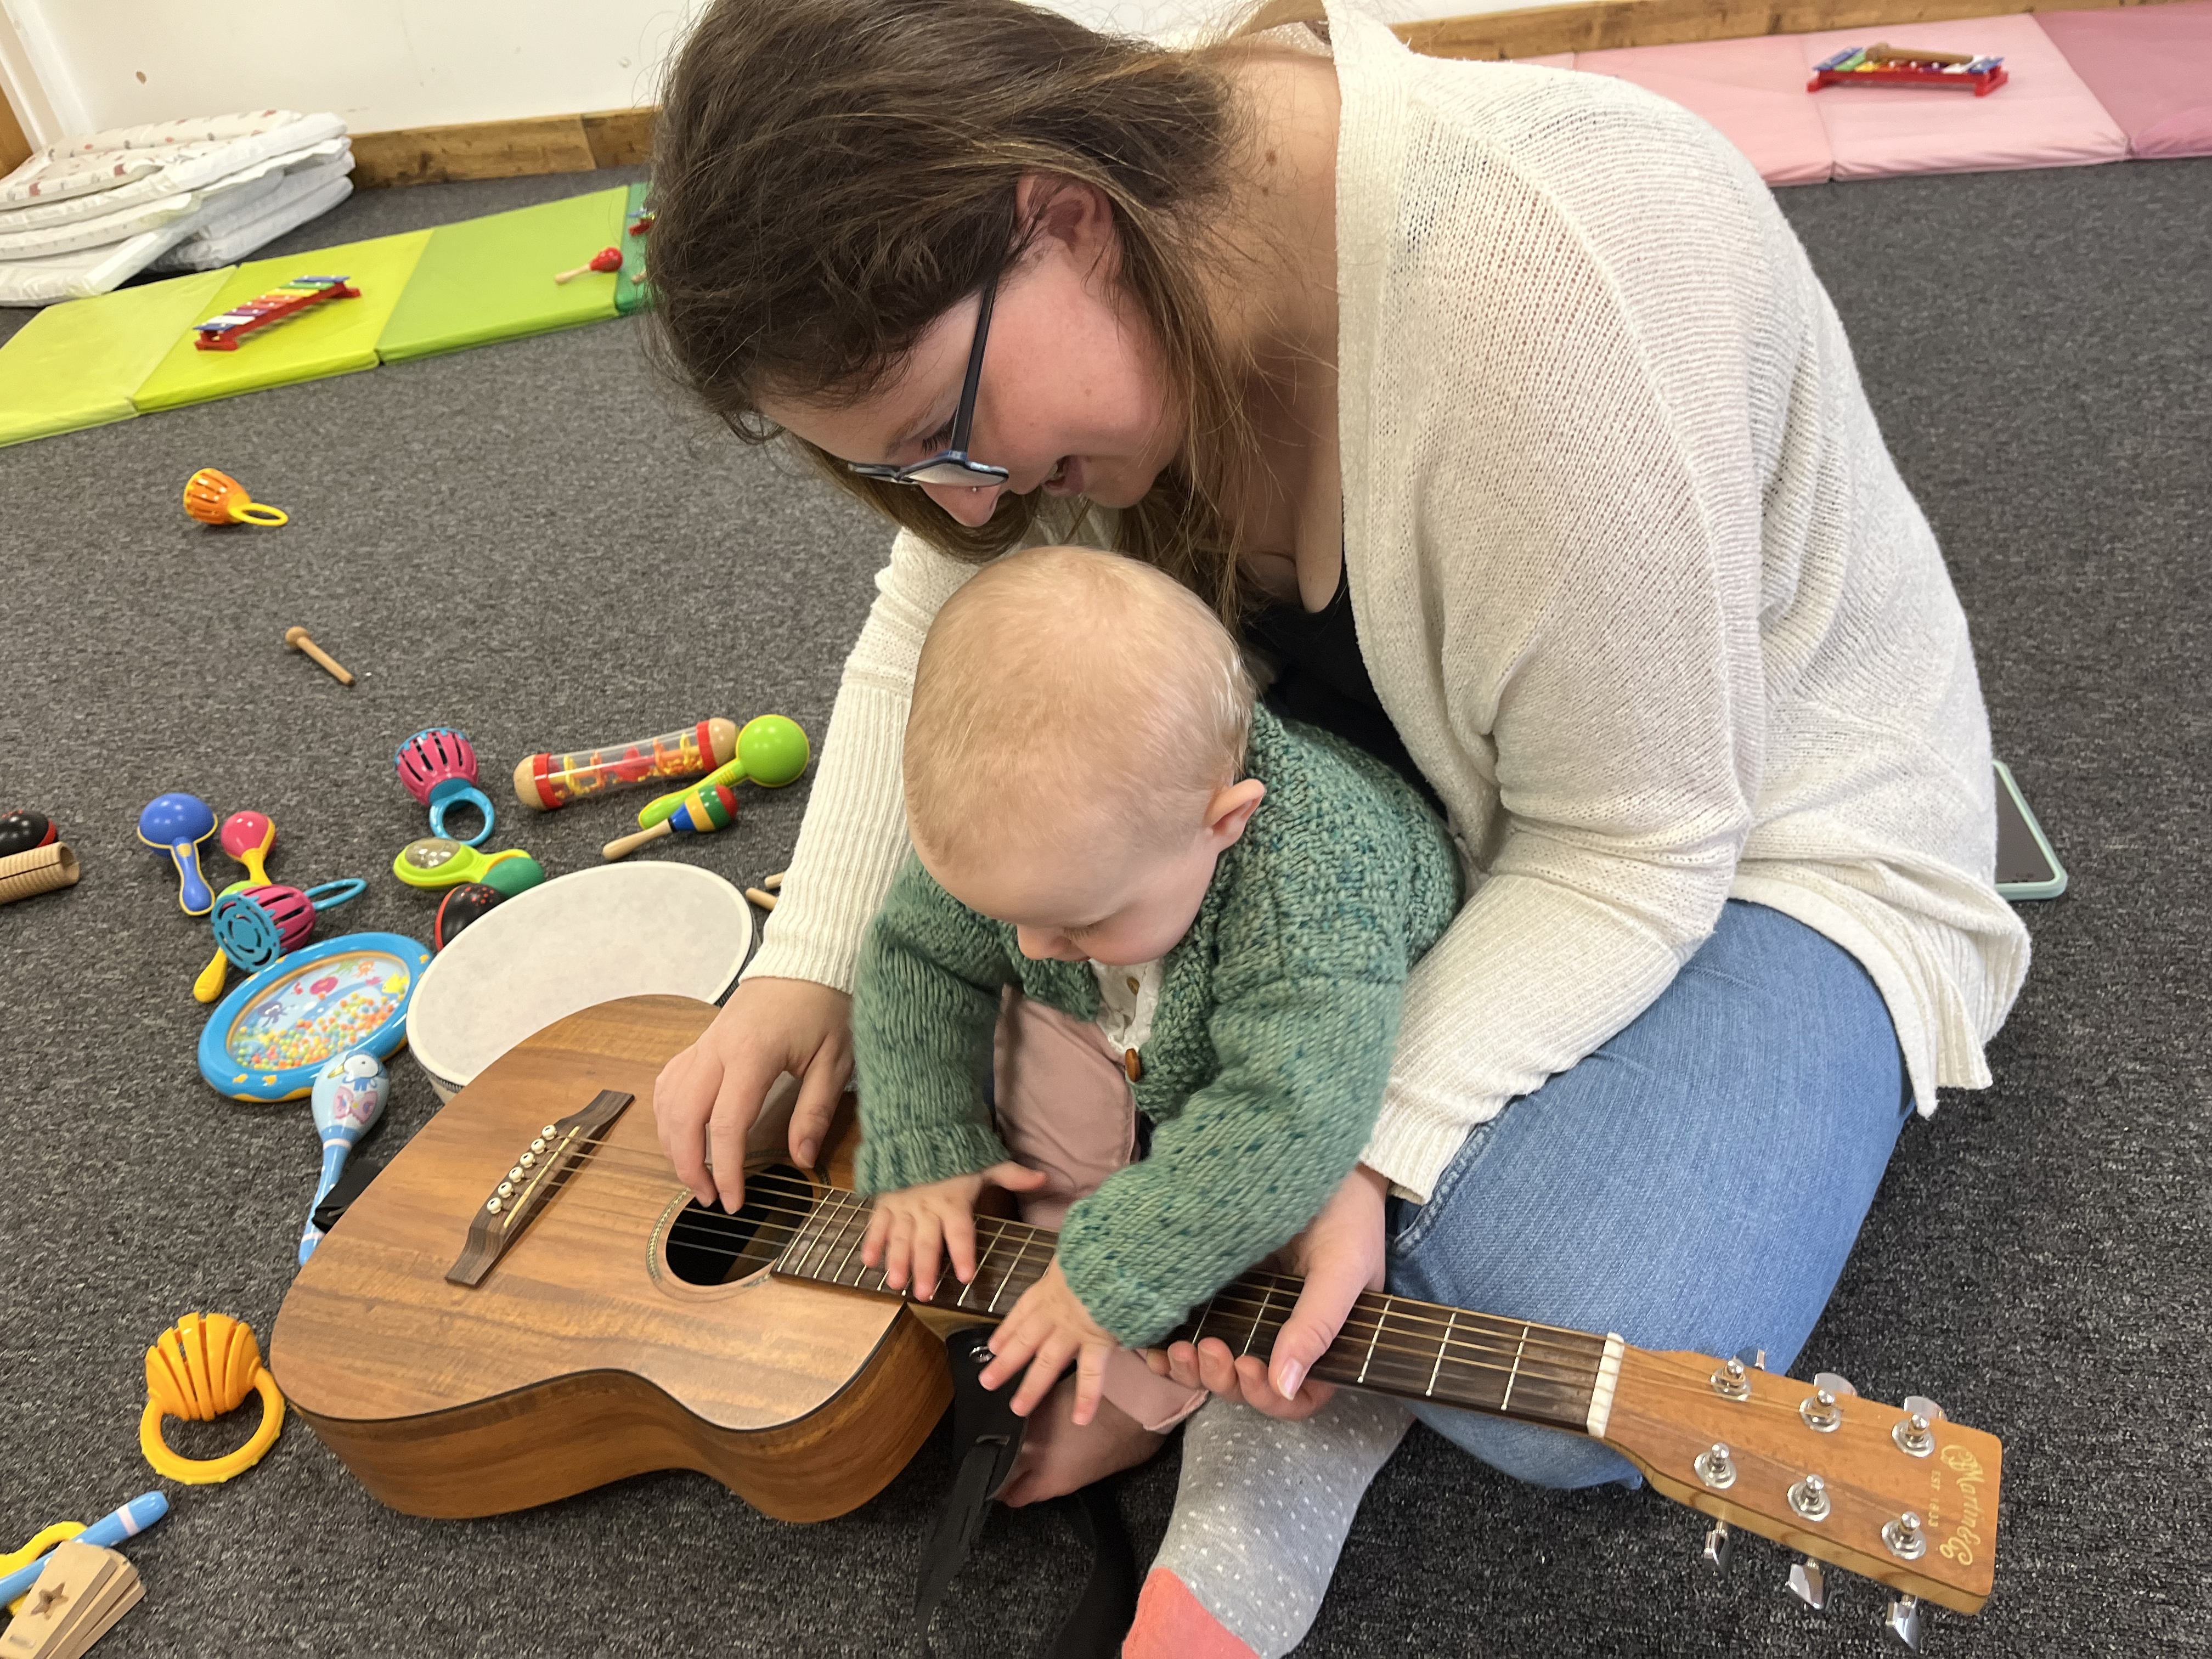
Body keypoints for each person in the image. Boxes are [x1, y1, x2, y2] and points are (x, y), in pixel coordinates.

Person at [644, 0, 2030, 1650]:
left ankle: (1247, 1402)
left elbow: (1638, 842)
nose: (967, 501)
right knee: (1014, 927)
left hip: (1747, 843)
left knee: (1578, 1338)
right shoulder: (1090, 293)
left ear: (1059, 216)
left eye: (946, 437)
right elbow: (935, 612)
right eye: (895, 471)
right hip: (1361, 815)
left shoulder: (1550, 277)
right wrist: (800, 968)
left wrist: (1370, 1142)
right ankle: (1241, 1292)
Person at [847, 545, 1458, 1501]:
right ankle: (1087, 1268)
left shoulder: (1313, 892)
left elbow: (1286, 1114)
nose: (1035, 945)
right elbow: (914, 955)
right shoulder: (1027, 836)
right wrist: (923, 1137)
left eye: (1079, 920)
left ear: (1225, 822)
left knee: (1266, 1198)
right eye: (1011, 912)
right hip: (1163, 974)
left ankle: (1135, 1384)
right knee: (1018, 1032)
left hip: (1344, 1002)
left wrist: (1112, 1273)